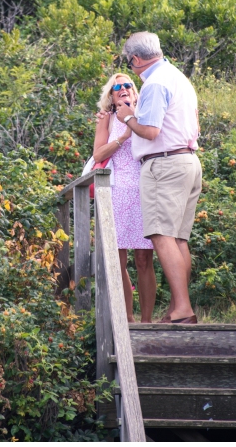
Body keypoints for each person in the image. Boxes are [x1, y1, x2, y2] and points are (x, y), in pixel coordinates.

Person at [115, 32, 201, 325]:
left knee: (160, 235)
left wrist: (127, 116)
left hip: (164, 165)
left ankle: (183, 310)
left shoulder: (154, 83)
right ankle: (180, 307)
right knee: (178, 238)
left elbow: (150, 131)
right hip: (187, 160)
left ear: (136, 60)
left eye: (131, 63)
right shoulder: (178, 77)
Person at [93, 73, 156, 323]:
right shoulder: (106, 119)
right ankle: (126, 318)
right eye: (116, 87)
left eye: (127, 85)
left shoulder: (145, 112)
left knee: (143, 258)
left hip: (144, 189)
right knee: (118, 259)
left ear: (135, 91)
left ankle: (147, 321)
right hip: (117, 191)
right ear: (110, 94)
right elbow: (98, 154)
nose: (123, 89)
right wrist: (122, 137)